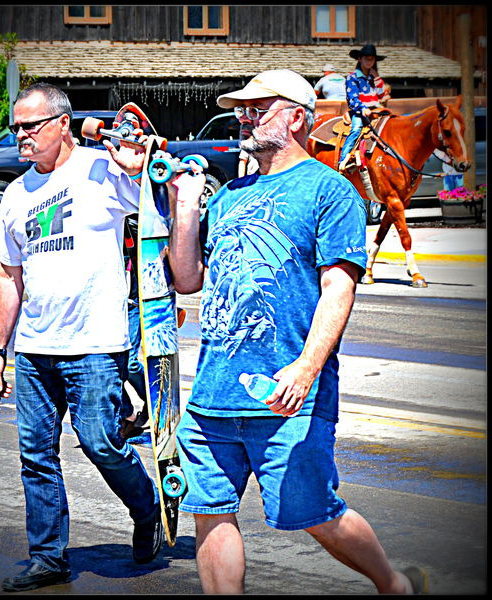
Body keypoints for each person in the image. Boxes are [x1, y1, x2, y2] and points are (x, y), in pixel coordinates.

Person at [167, 69, 428, 595]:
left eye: (258, 107)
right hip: (214, 390)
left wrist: (307, 368)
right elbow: (189, 278)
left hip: (290, 392)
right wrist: (185, 206)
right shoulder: (231, 193)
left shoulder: (329, 191)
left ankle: (393, 584)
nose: (244, 116)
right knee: (209, 512)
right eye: (242, 107)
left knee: (314, 512)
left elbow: (338, 290)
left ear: (296, 117)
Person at [0, 82, 165, 593]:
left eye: (31, 125)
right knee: (35, 455)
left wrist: (140, 167)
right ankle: (48, 558)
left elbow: (155, 209)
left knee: (101, 443)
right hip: (36, 348)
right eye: (16, 126)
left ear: (62, 124)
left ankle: (148, 507)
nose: (20, 135)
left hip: (94, 342)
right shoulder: (17, 193)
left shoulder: (101, 169)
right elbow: (8, 275)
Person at [120, 215, 150, 440]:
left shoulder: (133, 221)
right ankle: (127, 413)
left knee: (129, 361)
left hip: (133, 301)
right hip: (105, 302)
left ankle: (150, 400)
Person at [339, 44, 389, 173]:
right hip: (360, 112)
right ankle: (343, 160)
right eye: (366, 58)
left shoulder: (374, 78)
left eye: (372, 59)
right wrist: (363, 108)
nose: (369, 61)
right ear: (360, 59)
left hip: (376, 111)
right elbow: (352, 99)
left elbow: (383, 95)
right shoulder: (352, 77)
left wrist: (377, 77)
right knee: (356, 129)